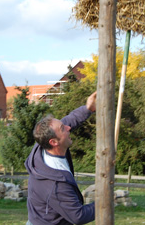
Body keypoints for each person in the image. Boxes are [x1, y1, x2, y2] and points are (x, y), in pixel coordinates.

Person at [25, 91, 97, 225]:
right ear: (54, 142)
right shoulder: (55, 184)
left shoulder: (42, 145)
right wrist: (104, 203)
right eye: (63, 129)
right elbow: (78, 216)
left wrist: (88, 108)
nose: (69, 128)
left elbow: (68, 121)